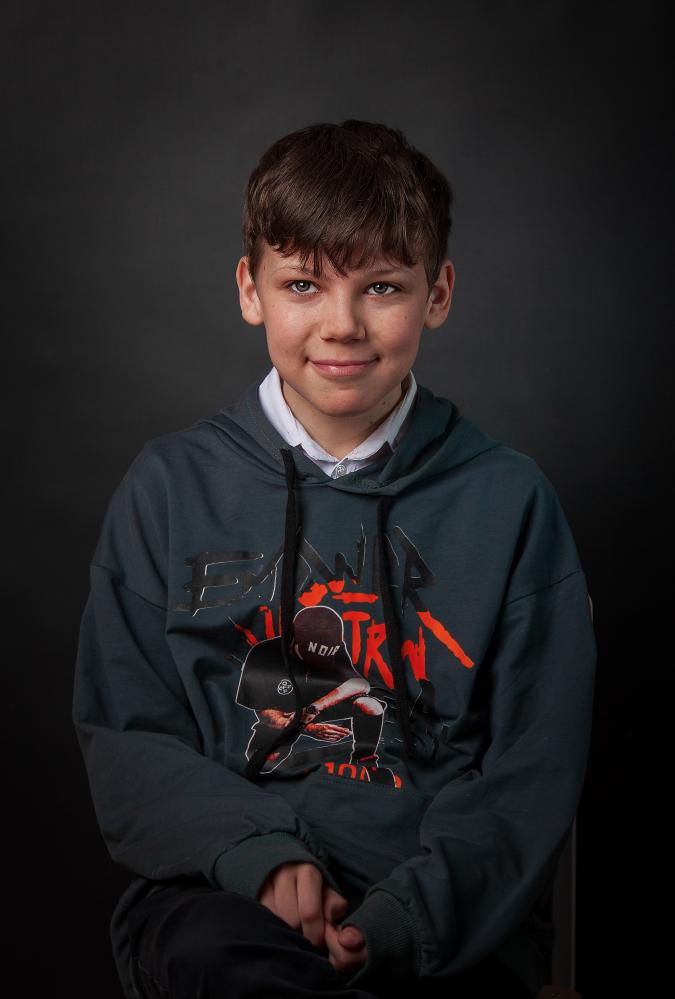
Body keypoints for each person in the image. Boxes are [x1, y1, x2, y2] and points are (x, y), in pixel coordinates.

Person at [72, 119, 597, 999]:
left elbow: (529, 773)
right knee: (219, 961)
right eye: (303, 284)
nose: (342, 325)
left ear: (437, 294)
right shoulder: (167, 488)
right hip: (227, 898)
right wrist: (262, 858)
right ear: (251, 291)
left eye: (381, 286)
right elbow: (129, 739)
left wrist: (401, 920)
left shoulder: (510, 500)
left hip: (443, 916)